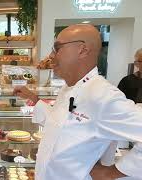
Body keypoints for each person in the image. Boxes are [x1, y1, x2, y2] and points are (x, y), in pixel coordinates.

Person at [13, 24, 142, 180]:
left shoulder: (101, 94)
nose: (51, 56)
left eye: (57, 48)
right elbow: (60, 124)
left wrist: (112, 172)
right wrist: (34, 99)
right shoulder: (69, 87)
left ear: (82, 49)